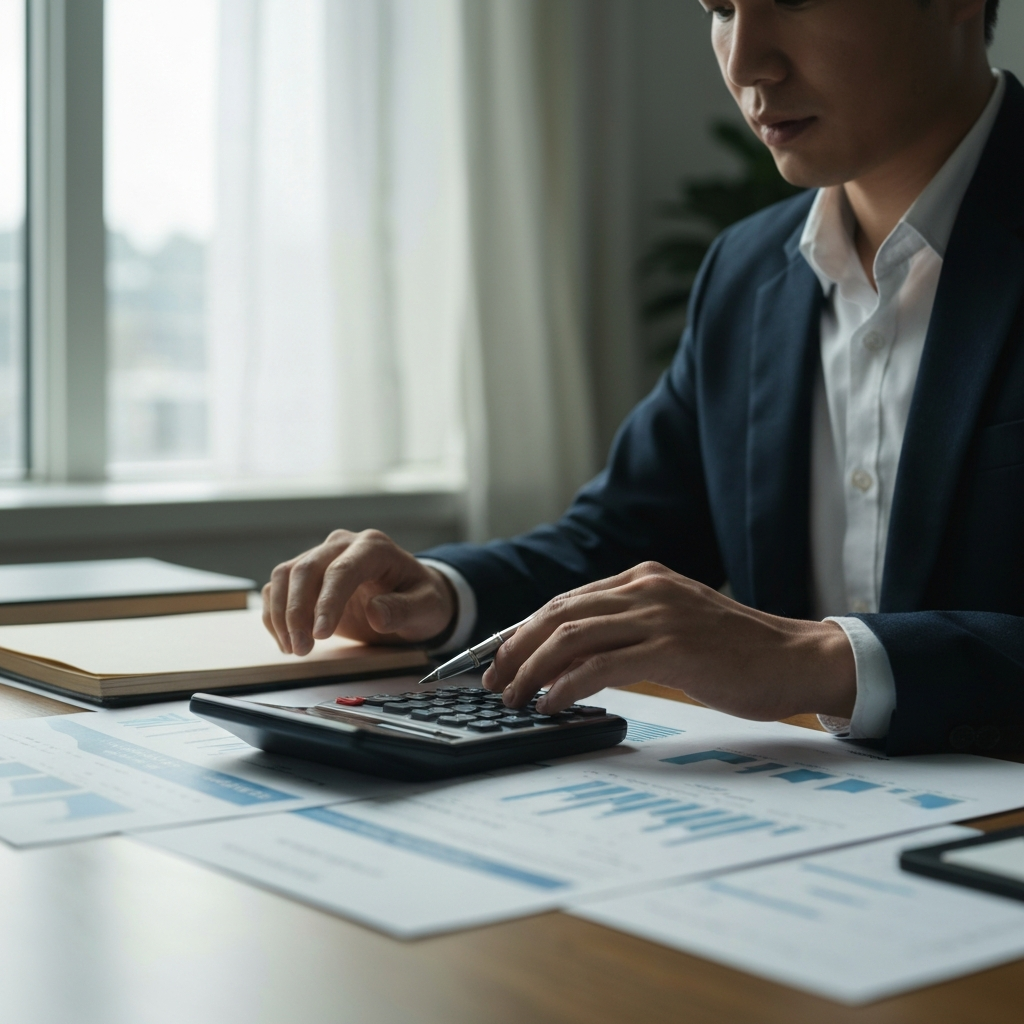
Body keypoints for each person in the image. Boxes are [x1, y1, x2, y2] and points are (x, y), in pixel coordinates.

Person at [264, 0, 1023, 756]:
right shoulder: (747, 272)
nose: (746, 62)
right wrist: (436, 595)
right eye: (721, 9)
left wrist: (819, 661)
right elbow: (615, 541)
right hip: (810, 823)